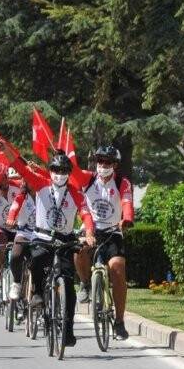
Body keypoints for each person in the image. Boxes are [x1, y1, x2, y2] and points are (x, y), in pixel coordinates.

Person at [10, 152, 94, 347]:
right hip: (43, 236)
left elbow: (86, 213)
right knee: (37, 259)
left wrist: (89, 232)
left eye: (64, 171)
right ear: (50, 171)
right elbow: (21, 167)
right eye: (55, 170)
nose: (59, 174)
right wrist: (6, 150)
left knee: (68, 285)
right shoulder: (40, 184)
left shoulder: (75, 192)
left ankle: (68, 328)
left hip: (65, 239)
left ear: (69, 173)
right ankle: (38, 292)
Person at [72, 145, 134, 339]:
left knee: (117, 267)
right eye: (100, 161)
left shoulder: (121, 182)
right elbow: (71, 170)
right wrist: (62, 154)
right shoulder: (88, 178)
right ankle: (85, 284)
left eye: (107, 162)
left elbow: (126, 202)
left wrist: (127, 218)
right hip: (90, 230)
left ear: (115, 164)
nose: (102, 165)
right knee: (78, 250)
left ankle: (119, 321)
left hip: (112, 231)